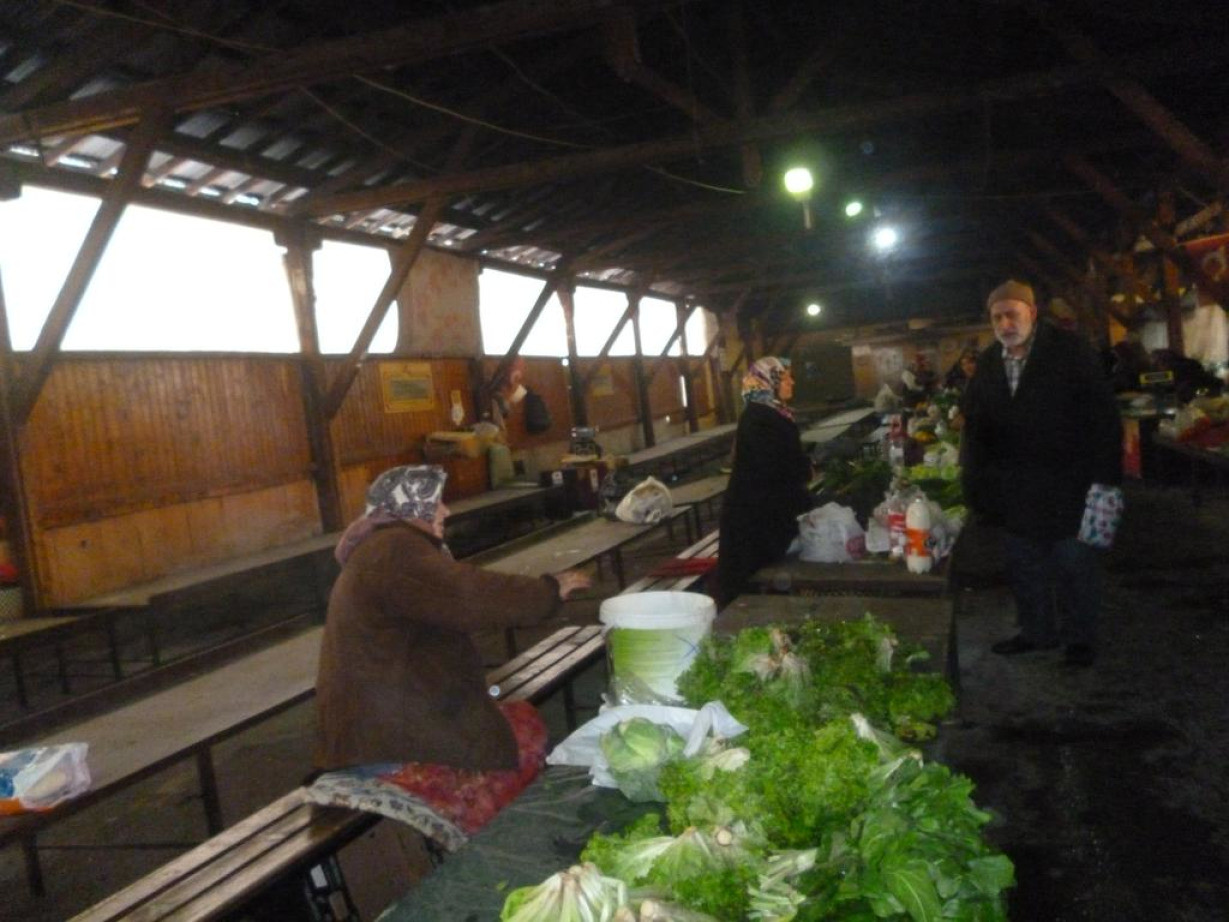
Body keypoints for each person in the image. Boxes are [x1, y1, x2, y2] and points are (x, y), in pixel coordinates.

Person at [315, 464, 591, 774]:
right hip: (391, 739)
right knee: (516, 759)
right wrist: (546, 591)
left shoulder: (384, 547)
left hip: (382, 726)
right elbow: (467, 595)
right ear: (410, 506)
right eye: (435, 502)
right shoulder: (394, 550)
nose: (445, 511)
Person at [960, 280, 1122, 668]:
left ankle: (1080, 640)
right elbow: (978, 423)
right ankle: (1036, 632)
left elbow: (1103, 418)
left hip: (1069, 483)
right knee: (1025, 566)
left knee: (1073, 566)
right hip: (1016, 487)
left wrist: (1105, 480)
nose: (1005, 324)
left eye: (1012, 314)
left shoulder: (1069, 352)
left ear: (1032, 313)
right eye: (997, 317)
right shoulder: (989, 362)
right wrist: (978, 482)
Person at [716, 357, 814, 606]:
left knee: (756, 582)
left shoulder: (770, 414)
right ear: (768, 382)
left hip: (762, 518)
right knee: (746, 585)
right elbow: (775, 469)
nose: (792, 382)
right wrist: (804, 470)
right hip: (754, 523)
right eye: (786, 377)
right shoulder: (759, 419)